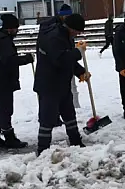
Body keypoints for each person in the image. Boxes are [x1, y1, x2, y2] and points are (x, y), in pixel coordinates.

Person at [34, 13, 90, 155]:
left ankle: (76, 141)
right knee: (48, 118)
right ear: (70, 28)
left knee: (69, 113)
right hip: (49, 84)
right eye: (77, 31)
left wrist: (80, 71)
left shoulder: (65, 36)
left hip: (61, 83)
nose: (77, 35)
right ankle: (42, 150)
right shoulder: (54, 37)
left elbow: (68, 58)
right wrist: (78, 52)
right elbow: (60, 59)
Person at [0, 14, 34, 149]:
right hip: (2, 83)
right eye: (16, 29)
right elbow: (10, 61)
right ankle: (9, 138)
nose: (17, 31)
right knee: (5, 110)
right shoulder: (4, 42)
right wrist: (26, 59)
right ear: (10, 29)